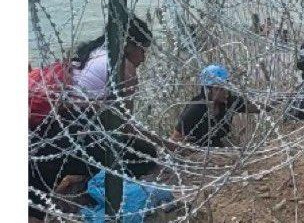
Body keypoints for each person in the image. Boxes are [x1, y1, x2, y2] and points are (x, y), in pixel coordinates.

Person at [29, 16, 158, 222]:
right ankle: (89, 189)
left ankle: (75, 182)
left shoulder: (93, 53)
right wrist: (159, 144)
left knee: (34, 196)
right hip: (70, 135)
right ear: (128, 44)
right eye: (143, 50)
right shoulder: (124, 68)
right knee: (145, 156)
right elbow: (124, 128)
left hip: (48, 131)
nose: (143, 58)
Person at [171, 65, 261, 149]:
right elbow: (174, 141)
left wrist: (271, 103)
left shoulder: (229, 102)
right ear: (208, 90)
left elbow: (258, 107)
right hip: (198, 153)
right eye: (220, 88)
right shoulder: (195, 109)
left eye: (226, 87)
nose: (225, 92)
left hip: (218, 150)